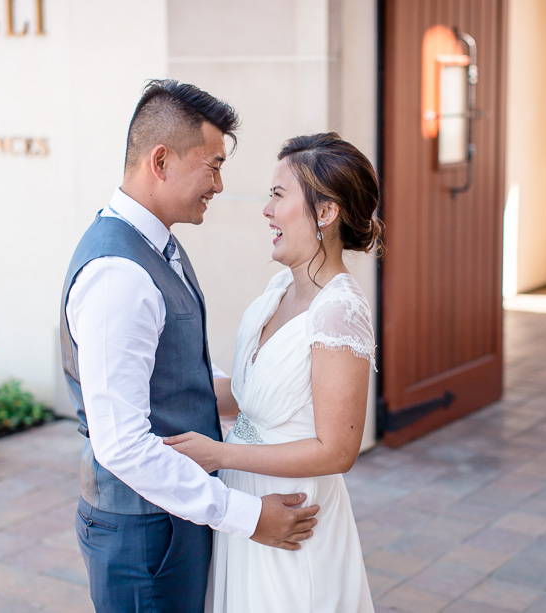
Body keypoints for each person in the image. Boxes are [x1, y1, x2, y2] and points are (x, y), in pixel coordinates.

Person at [59, 80, 320, 613]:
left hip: (170, 519)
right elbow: (124, 445)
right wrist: (248, 517)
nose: (220, 185)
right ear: (161, 161)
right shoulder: (119, 276)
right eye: (213, 165)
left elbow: (173, 368)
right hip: (146, 536)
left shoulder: (156, 245)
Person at [165, 132, 381, 612]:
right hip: (248, 508)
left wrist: (220, 454)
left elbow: (338, 449)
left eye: (279, 196)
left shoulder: (339, 311)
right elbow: (250, 398)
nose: (266, 210)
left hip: (292, 517)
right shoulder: (279, 288)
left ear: (326, 214)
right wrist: (160, 387)